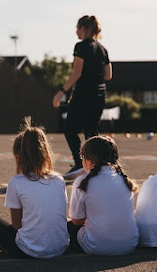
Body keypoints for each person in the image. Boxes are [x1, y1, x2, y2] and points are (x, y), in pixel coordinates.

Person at [0, 117, 69, 259]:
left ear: (20, 156)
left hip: (28, 250)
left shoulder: (17, 182)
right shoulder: (58, 179)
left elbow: (16, 225)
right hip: (60, 248)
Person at [52, 15, 112, 180]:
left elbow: (76, 73)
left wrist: (61, 92)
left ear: (84, 29)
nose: (76, 31)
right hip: (99, 94)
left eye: (77, 28)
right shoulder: (102, 49)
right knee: (91, 131)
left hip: (83, 93)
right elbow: (108, 75)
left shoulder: (81, 46)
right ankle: (96, 165)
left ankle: (80, 163)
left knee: (70, 129)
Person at [67, 136, 139, 255]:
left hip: (96, 247)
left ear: (88, 159)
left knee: (68, 226)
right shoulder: (125, 180)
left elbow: (77, 220)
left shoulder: (82, 181)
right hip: (129, 245)